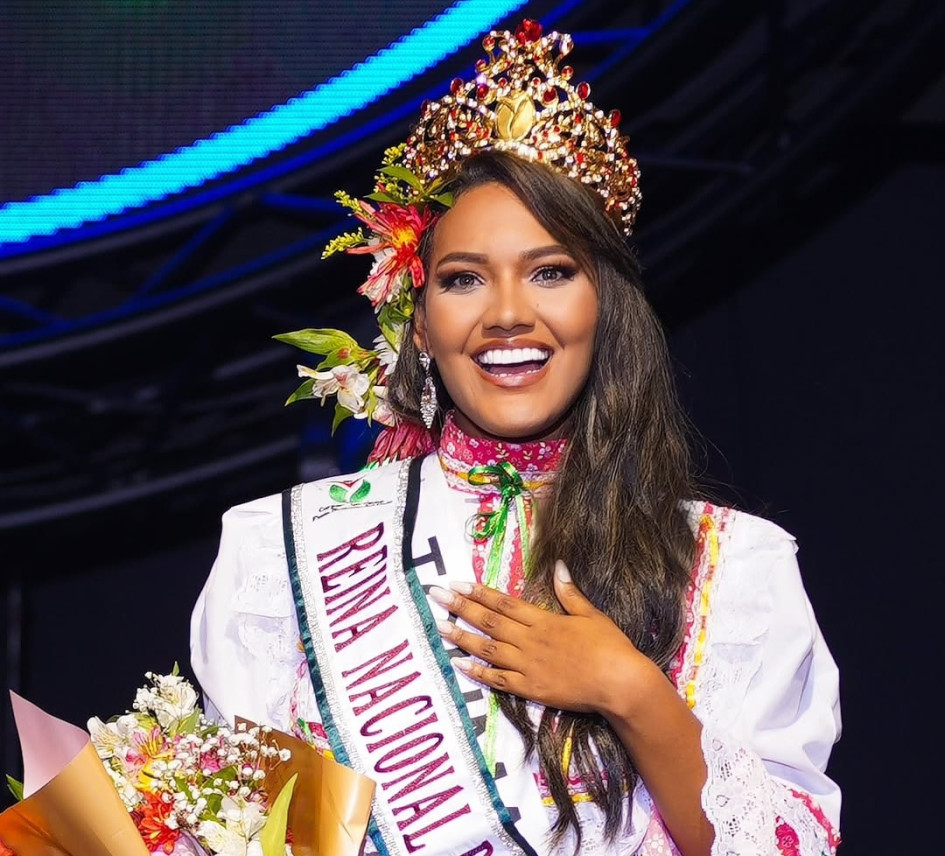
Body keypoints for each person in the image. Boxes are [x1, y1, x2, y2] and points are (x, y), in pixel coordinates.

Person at [191, 19, 841, 856]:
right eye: (463, 279)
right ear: (418, 323)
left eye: (551, 272)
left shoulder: (735, 566)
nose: (506, 314)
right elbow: (236, 836)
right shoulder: (274, 554)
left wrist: (629, 690)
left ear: (604, 307)